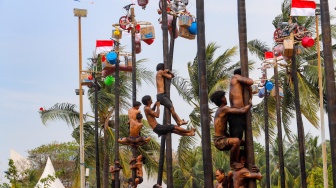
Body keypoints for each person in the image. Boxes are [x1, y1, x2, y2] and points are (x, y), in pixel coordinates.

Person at [210, 91, 251, 166]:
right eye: (224, 97)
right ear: (222, 99)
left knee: (245, 143)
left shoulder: (221, 110)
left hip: (224, 138)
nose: (226, 99)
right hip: (219, 141)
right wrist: (249, 104)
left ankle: (243, 160)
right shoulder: (223, 109)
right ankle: (233, 163)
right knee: (236, 141)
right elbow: (242, 111)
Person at [228, 68, 254, 140]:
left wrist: (250, 90)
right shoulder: (236, 77)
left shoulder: (237, 85)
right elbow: (250, 81)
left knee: (239, 139)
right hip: (237, 112)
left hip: (240, 112)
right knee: (236, 139)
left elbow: (249, 98)